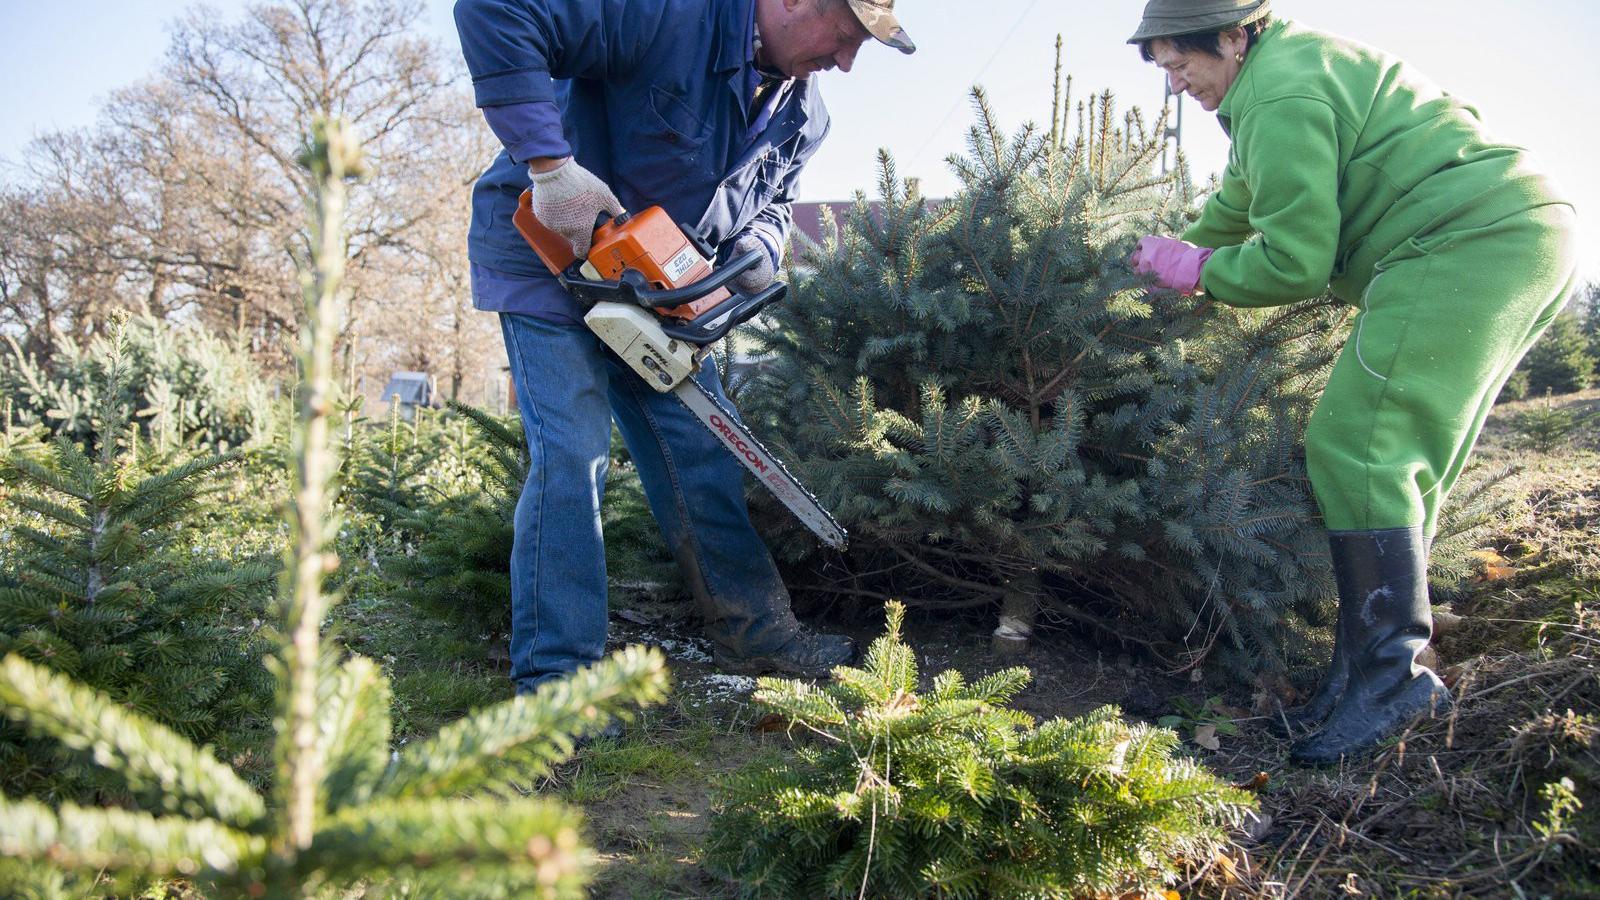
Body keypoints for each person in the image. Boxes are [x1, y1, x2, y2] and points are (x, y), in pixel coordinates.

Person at [1126, 0, 1578, 764]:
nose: (1174, 86)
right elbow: (1237, 208)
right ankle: (1358, 677)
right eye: (1163, 68)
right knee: (1398, 458)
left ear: (1235, 37)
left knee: (1357, 443)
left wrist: (1198, 271)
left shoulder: (1279, 96)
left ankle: (1393, 684)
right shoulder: (1276, 79)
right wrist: (1158, 263)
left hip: (1462, 238)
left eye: (1182, 64)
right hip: (1517, 229)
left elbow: (1293, 263)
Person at [452, 0, 916, 696]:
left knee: (703, 447)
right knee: (574, 455)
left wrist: (759, 247)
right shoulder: (670, 13)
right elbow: (496, 11)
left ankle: (756, 634)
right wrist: (551, 169)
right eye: (845, 36)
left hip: (654, 284)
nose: (846, 61)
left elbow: (777, 203)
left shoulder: (803, 115)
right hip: (548, 253)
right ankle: (558, 686)